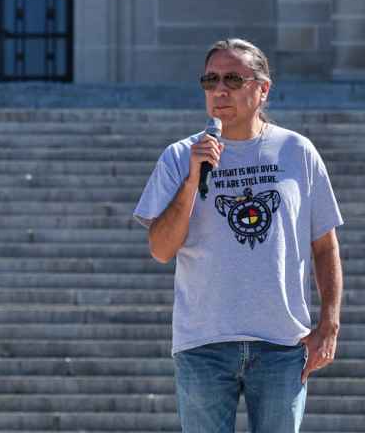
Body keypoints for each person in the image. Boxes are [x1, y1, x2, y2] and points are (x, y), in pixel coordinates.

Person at [133, 38, 343, 432]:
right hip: (203, 345)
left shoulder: (297, 151)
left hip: (282, 343)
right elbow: (161, 249)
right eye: (210, 81)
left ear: (263, 89)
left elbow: (325, 245)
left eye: (233, 79)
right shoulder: (180, 156)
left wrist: (328, 325)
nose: (220, 90)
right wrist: (193, 179)